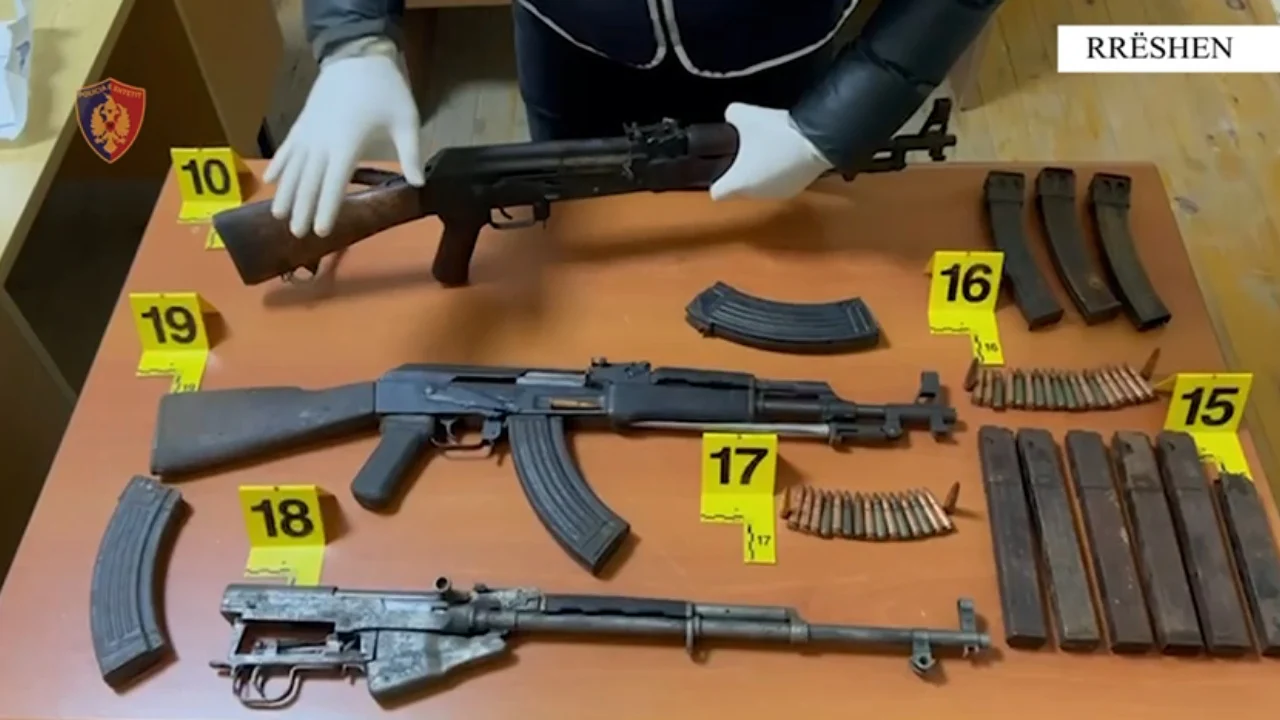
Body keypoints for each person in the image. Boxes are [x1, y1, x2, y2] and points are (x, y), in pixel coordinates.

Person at [271, 0, 1000, 238]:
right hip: (570, 42)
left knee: (773, 255)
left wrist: (833, 125)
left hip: (783, 53)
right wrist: (354, 37)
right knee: (573, 253)